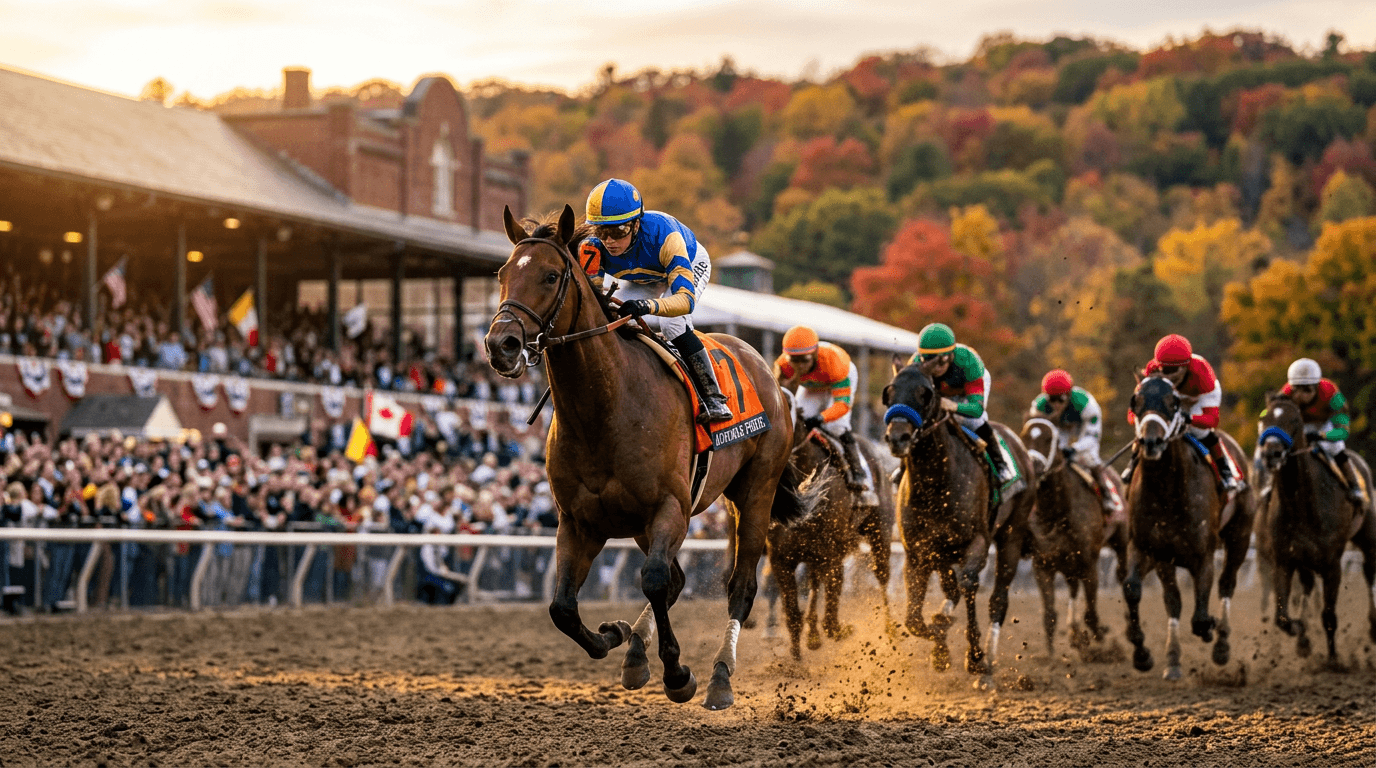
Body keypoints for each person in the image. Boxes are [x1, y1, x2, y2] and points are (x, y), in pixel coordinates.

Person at [579, 178, 731, 423]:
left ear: (636, 224)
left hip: (688, 262)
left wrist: (646, 306)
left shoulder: (666, 236)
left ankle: (714, 397)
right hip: (643, 277)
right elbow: (591, 302)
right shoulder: (592, 247)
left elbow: (685, 301)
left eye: (618, 231)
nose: (609, 241)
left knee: (672, 324)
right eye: (601, 231)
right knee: (610, 319)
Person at [1125, 334, 1239, 491]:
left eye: (1173, 370)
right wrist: (1142, 421)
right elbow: (1134, 411)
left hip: (1197, 396)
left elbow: (1212, 420)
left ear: (1186, 366)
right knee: (1149, 429)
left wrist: (1188, 418)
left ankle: (1225, 470)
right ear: (1158, 366)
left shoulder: (1202, 374)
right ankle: (1133, 463)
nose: (1168, 375)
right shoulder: (1152, 370)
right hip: (1170, 396)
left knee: (1199, 431)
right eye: (1164, 370)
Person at [909, 323, 1016, 484]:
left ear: (951, 355)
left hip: (967, 388)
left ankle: (1000, 464)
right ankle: (904, 467)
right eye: (929, 361)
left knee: (973, 421)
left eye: (941, 361)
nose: (936, 368)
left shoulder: (968, 362)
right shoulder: (915, 364)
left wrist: (954, 406)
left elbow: (976, 409)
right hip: (941, 391)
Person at [774, 325, 871, 497]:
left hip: (838, 379)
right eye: (794, 360)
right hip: (813, 386)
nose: (799, 366)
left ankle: (858, 472)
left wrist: (820, 418)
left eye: (804, 360)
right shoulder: (783, 365)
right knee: (798, 421)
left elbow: (842, 405)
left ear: (815, 354)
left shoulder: (835, 363)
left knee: (836, 426)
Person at [1029, 369, 1123, 517]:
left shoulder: (1086, 405)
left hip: (1083, 427)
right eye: (1052, 399)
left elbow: (1091, 438)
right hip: (1059, 428)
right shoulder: (1038, 406)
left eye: (1060, 399)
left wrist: (1074, 449)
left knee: (1089, 457)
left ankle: (1107, 495)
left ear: (1069, 395)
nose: (1056, 404)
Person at [1279, 358, 1368, 504]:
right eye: (1297, 389)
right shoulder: (1285, 393)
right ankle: (1266, 486)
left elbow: (1343, 432)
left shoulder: (1332, 394)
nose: (1300, 395)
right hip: (1299, 424)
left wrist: (1321, 435)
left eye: (1307, 390)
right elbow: (1271, 416)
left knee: (1337, 447)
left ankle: (1354, 486)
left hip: (1324, 424)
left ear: (1317, 386)